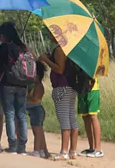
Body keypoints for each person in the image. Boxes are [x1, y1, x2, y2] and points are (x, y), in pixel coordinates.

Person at [39, 32, 78, 160]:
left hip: (62, 87)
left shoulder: (59, 49)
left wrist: (46, 60)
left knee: (64, 119)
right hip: (70, 86)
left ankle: (64, 151)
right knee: (71, 118)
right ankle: (72, 150)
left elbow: (59, 69)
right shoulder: (68, 47)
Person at [0, 22, 29, 155]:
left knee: (9, 114)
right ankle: (23, 147)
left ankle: (12, 146)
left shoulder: (5, 47)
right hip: (23, 84)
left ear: (3, 35)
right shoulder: (24, 47)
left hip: (7, 84)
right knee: (21, 115)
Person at [26, 61, 50, 158]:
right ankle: (42, 150)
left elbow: (35, 98)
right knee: (38, 130)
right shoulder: (34, 85)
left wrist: (24, 97)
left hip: (36, 109)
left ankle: (36, 150)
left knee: (38, 130)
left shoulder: (38, 86)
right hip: (33, 110)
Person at [78, 73, 103, 158]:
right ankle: (91, 147)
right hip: (81, 87)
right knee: (85, 116)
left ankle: (98, 149)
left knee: (93, 116)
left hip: (92, 87)